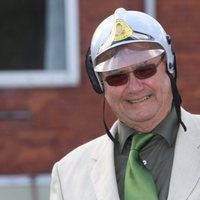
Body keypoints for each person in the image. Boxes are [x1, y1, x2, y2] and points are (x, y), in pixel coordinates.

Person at [50, 8, 200, 200]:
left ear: (169, 67)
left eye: (145, 70)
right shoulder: (67, 175)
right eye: (117, 77)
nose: (134, 87)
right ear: (100, 84)